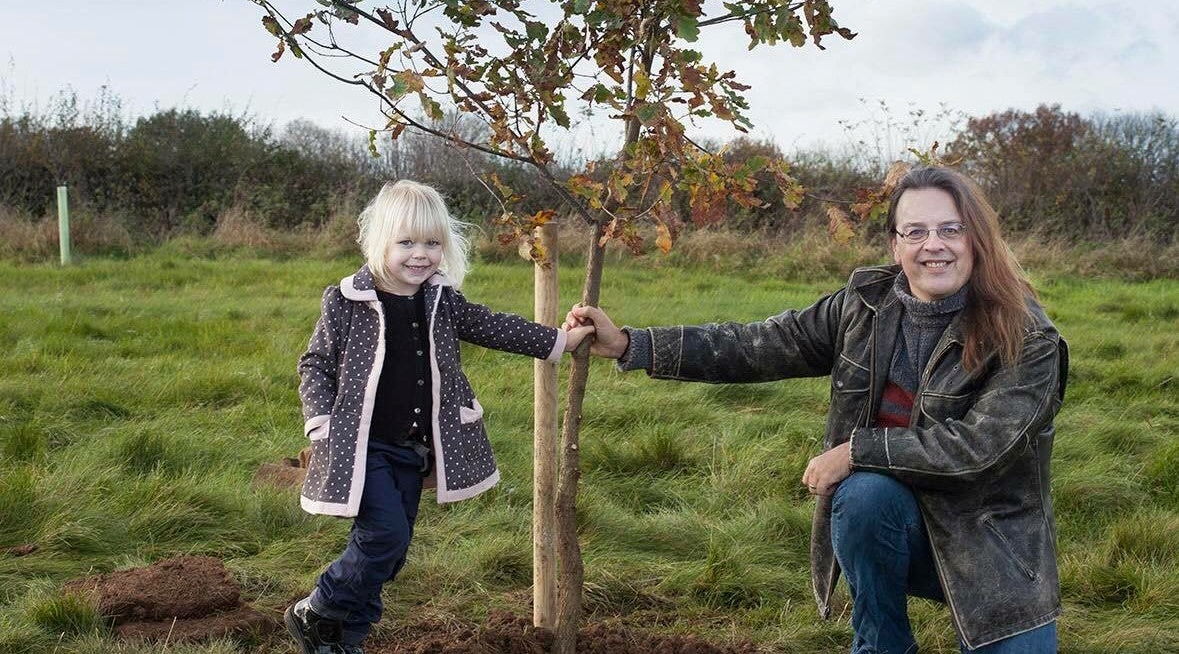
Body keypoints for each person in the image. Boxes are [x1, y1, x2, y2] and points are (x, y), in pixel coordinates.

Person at [566, 166, 1068, 654]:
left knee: (862, 475)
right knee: (864, 495)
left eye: (950, 229)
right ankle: (881, 645)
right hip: (892, 524)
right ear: (895, 245)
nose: (932, 244)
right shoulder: (865, 304)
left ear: (976, 238)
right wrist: (632, 343)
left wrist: (857, 449)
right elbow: (759, 344)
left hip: (990, 549)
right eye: (915, 231)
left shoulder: (1027, 336)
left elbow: (978, 449)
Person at [286, 180, 592, 654]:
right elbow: (315, 362)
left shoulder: (440, 300)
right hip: (361, 445)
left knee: (392, 549)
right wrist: (320, 422)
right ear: (379, 242)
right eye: (406, 242)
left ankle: (342, 639)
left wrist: (558, 341)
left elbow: (493, 326)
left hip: (412, 448)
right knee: (383, 536)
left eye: (432, 243)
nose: (420, 254)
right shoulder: (346, 300)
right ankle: (319, 608)